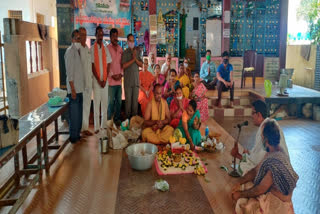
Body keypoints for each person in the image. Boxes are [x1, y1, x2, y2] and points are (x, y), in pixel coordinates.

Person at [231, 120, 298, 214]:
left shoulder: (274, 163)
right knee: (245, 183)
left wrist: (240, 195)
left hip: (278, 203)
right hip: (271, 192)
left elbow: (260, 189)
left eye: (262, 138)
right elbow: (255, 170)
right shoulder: (275, 151)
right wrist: (239, 181)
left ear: (266, 140)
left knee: (244, 205)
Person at [231, 100, 289, 176]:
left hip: (276, 170)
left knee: (244, 168)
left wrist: (238, 155)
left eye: (253, 113)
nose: (252, 116)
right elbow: (261, 152)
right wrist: (249, 152)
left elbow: (258, 161)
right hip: (282, 165)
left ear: (259, 114)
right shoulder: (271, 123)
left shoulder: (264, 128)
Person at [64, 29, 85, 143]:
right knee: (74, 115)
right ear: (72, 39)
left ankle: (77, 134)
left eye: (80, 38)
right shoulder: (69, 52)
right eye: (77, 38)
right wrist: (72, 89)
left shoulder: (78, 50)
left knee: (79, 115)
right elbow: (69, 73)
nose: (79, 40)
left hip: (79, 88)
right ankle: (73, 137)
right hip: (74, 90)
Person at [91, 26, 112, 133]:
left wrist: (105, 78)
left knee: (104, 103)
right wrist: (99, 80)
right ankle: (96, 127)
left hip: (105, 80)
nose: (100, 37)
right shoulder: (92, 49)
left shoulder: (105, 48)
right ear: (95, 35)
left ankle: (104, 125)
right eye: (98, 35)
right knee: (96, 103)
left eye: (101, 35)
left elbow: (109, 64)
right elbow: (92, 66)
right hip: (96, 81)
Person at [122, 33, 143, 119]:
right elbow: (123, 66)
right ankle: (127, 122)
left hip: (136, 82)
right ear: (127, 41)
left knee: (135, 105)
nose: (131, 42)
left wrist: (135, 58)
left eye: (133, 40)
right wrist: (133, 59)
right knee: (128, 105)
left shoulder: (137, 52)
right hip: (128, 82)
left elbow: (141, 64)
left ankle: (133, 123)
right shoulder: (125, 52)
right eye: (130, 41)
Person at [78, 27, 93, 136]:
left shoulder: (87, 48)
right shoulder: (77, 49)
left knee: (87, 105)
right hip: (80, 84)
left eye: (85, 34)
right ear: (78, 36)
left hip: (88, 83)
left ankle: (85, 128)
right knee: (80, 107)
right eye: (82, 34)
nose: (84, 36)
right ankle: (79, 129)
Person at [107, 28, 123, 126]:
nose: (115, 38)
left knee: (119, 102)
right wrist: (113, 75)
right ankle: (109, 121)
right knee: (111, 103)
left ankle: (117, 120)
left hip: (119, 81)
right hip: (111, 81)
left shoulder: (120, 49)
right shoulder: (107, 49)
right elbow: (106, 65)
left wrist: (121, 74)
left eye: (116, 36)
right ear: (110, 37)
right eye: (113, 36)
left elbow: (122, 64)